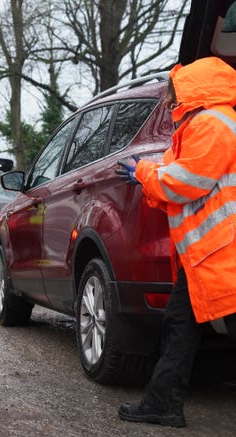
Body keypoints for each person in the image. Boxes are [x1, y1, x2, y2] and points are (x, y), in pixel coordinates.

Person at [115, 56, 236, 428]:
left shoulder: (211, 124)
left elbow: (184, 182)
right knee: (179, 324)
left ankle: (163, 402)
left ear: (193, 89)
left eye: (174, 90)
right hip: (208, 252)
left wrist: (143, 172)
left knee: (184, 325)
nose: (169, 99)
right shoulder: (202, 124)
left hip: (220, 251)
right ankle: (163, 402)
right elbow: (174, 173)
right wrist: (148, 175)